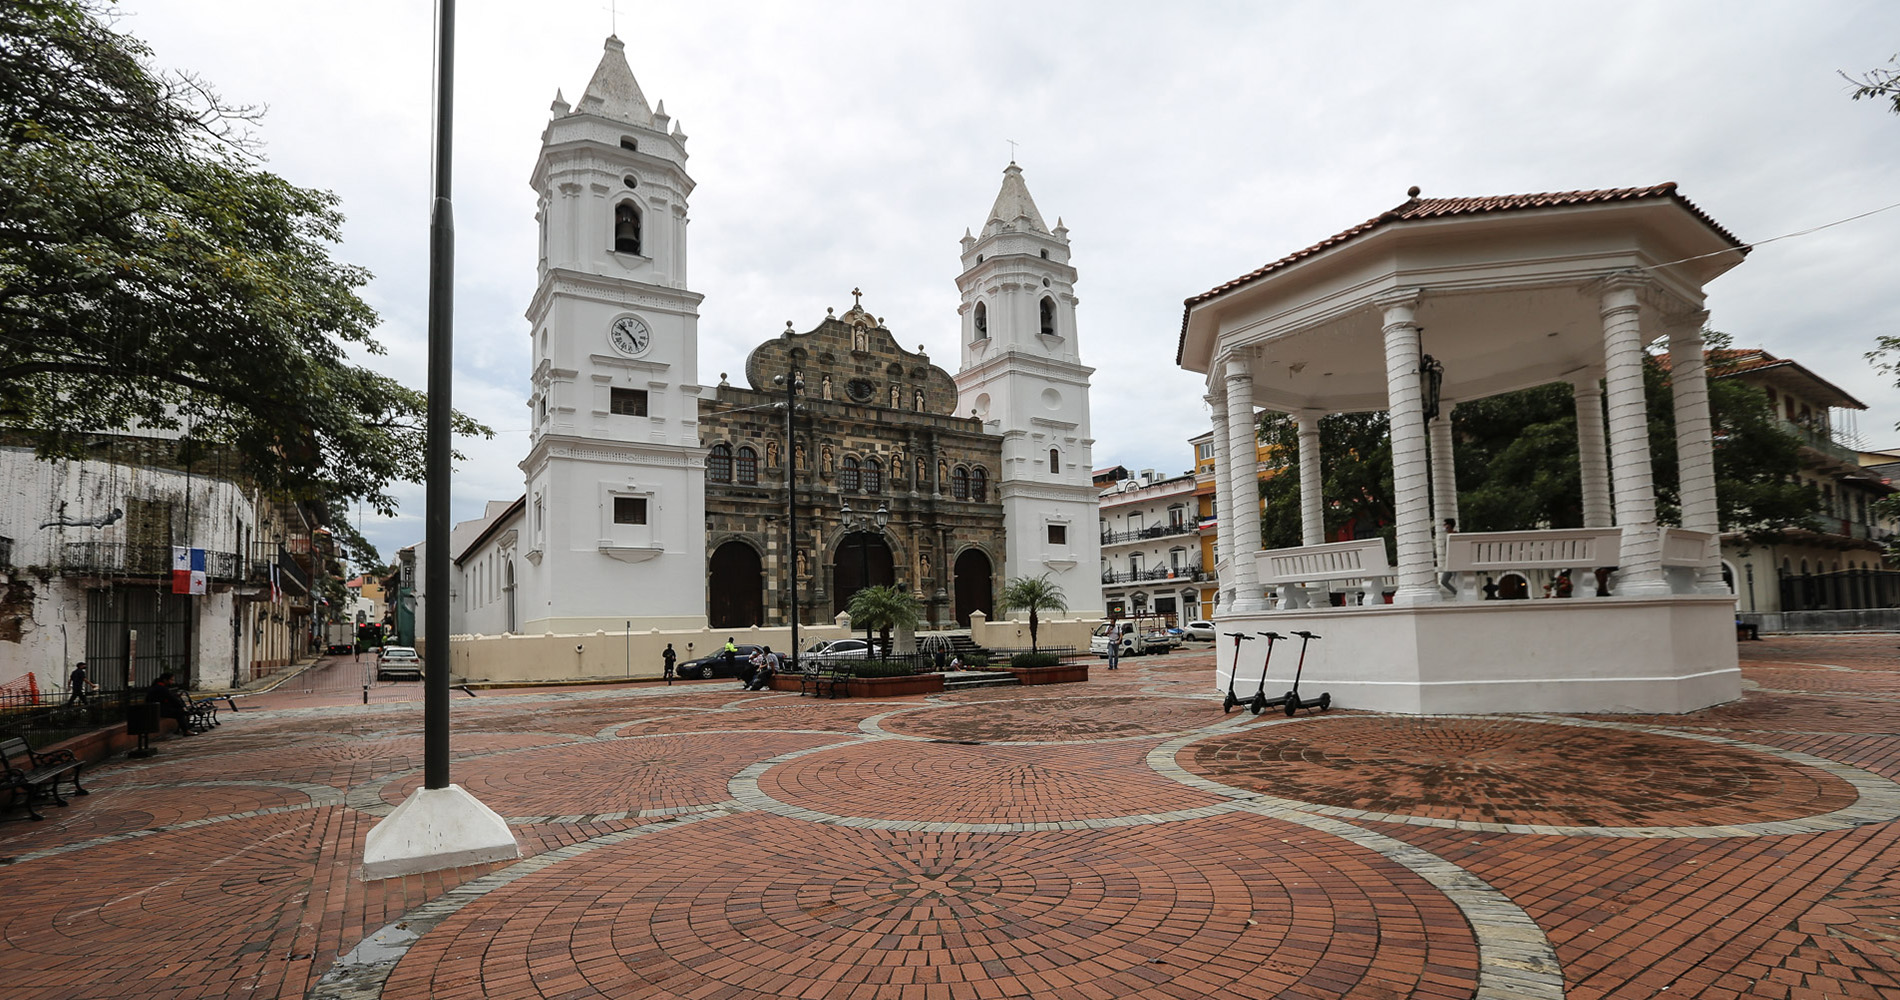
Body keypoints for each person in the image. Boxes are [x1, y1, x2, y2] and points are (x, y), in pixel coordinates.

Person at [146, 671, 193, 736]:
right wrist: (182, 706)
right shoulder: (161, 688)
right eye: (171, 680)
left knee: (179, 710)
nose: (172, 682)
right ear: (165, 680)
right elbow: (171, 699)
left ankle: (186, 728)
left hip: (157, 708)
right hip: (157, 710)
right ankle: (186, 730)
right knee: (180, 712)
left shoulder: (158, 686)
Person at [1437, 519, 1457, 595]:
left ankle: (1460, 594)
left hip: (1455, 563)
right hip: (1449, 562)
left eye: (1445, 524)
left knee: (1457, 580)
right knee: (1444, 581)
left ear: (1449, 525)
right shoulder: (1447, 536)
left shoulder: (1455, 535)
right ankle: (1456, 592)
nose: (1444, 527)